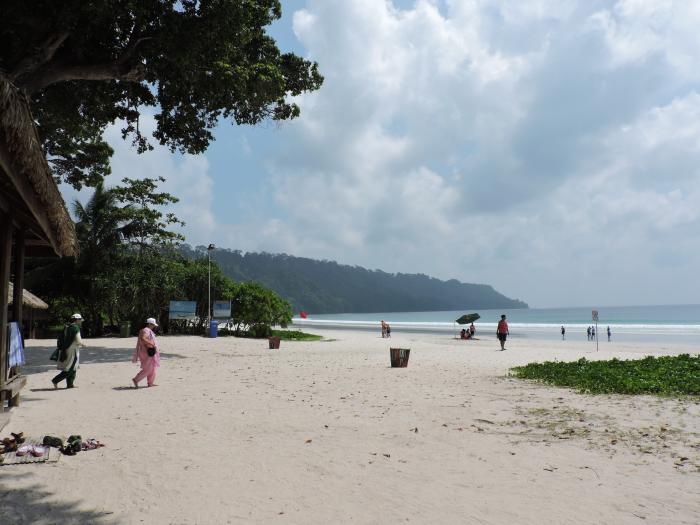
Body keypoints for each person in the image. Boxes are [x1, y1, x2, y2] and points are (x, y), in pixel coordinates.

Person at [52, 313, 86, 389]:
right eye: (80, 320)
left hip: (66, 349)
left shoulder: (67, 327)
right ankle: (55, 380)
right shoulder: (75, 328)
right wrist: (83, 344)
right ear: (77, 320)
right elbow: (78, 341)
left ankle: (70, 384)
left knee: (74, 367)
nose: (81, 321)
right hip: (73, 350)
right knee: (70, 367)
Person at [132, 318, 160, 388]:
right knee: (149, 368)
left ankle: (150, 383)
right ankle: (136, 379)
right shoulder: (146, 330)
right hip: (147, 352)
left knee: (153, 367)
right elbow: (143, 338)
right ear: (149, 324)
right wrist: (152, 344)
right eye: (153, 325)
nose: (154, 326)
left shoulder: (146, 330)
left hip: (149, 351)